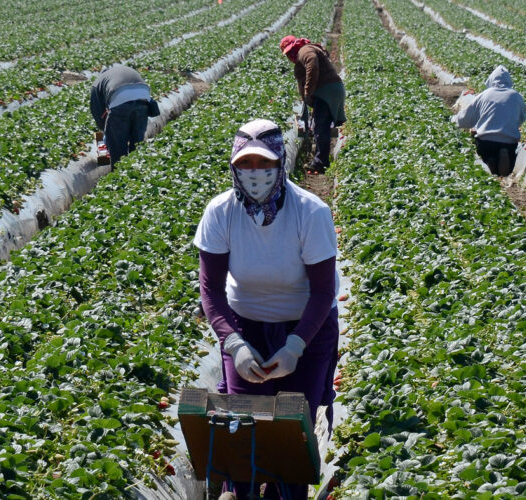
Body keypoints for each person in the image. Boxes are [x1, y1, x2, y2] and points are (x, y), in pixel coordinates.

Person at [194, 119, 340, 499]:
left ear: (280, 162)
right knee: (240, 427)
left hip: (306, 325)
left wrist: (295, 347)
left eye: (264, 164)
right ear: (234, 166)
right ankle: (238, 493)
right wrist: (235, 345)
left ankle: (286, 494)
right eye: (246, 165)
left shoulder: (311, 212)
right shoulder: (220, 212)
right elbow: (210, 290)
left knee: (291, 431)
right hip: (246, 325)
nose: (255, 174)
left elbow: (324, 292)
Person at [280, 35, 346, 174]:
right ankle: (320, 160)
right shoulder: (304, 51)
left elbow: (312, 64)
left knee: (321, 127)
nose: (289, 56)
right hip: (327, 91)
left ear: (295, 46)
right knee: (320, 126)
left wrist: (308, 90)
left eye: (290, 51)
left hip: (326, 91)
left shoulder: (305, 51)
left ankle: (320, 163)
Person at [453, 65, 526, 177]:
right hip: (509, 142)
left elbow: (466, 119)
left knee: (484, 149)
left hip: (486, 141)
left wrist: (454, 120)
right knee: (510, 151)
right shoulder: (517, 96)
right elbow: (521, 118)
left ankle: (489, 161)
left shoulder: (484, 95)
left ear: (491, 80)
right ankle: (504, 159)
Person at [89, 63, 159, 166]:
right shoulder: (123, 71)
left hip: (120, 100)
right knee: (137, 142)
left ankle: (119, 174)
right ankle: (137, 171)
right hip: (143, 99)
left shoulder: (98, 82)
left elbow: (98, 112)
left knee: (118, 146)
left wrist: (106, 132)